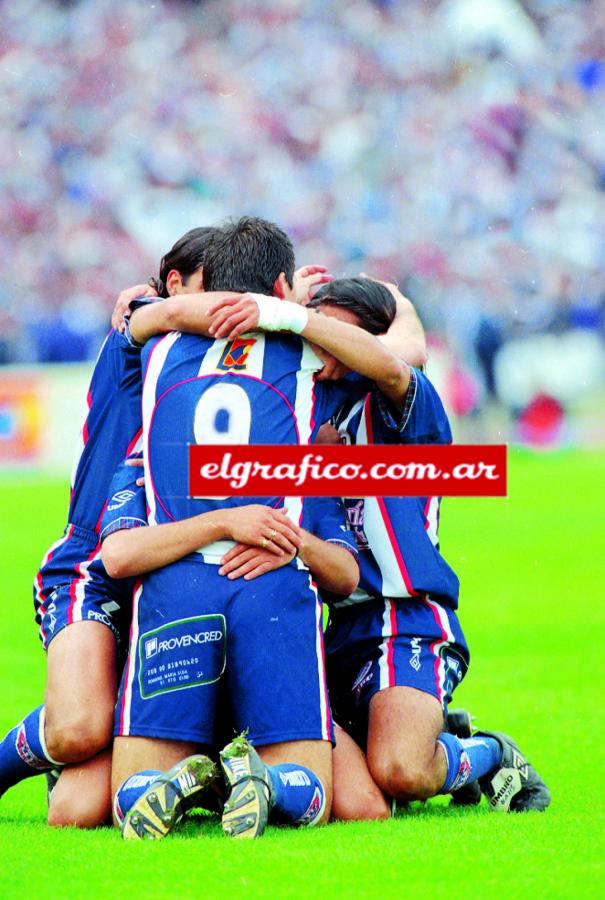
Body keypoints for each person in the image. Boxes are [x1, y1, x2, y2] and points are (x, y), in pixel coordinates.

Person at [110, 217, 417, 839]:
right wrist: (297, 315)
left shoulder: (152, 345)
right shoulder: (316, 356)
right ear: (280, 285)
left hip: (175, 583)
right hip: (274, 576)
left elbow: (140, 318)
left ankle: (182, 779)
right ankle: (264, 782)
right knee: (315, 797)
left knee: (124, 796)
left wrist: (158, 312)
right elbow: (400, 359)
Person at [208, 276, 551, 815]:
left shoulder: (402, 406)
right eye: (314, 338)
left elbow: (396, 362)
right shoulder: (308, 409)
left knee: (401, 771)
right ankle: (433, 728)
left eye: (336, 339)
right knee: (337, 773)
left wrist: (302, 315)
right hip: (332, 626)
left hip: (405, 617)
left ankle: (487, 753)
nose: (321, 353)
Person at [0, 225, 240, 824]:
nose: (232, 306)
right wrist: (279, 308)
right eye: (221, 289)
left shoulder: (227, 360)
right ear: (176, 285)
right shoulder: (137, 327)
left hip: (174, 568)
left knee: (76, 810)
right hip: (92, 561)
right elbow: (153, 315)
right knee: (80, 727)